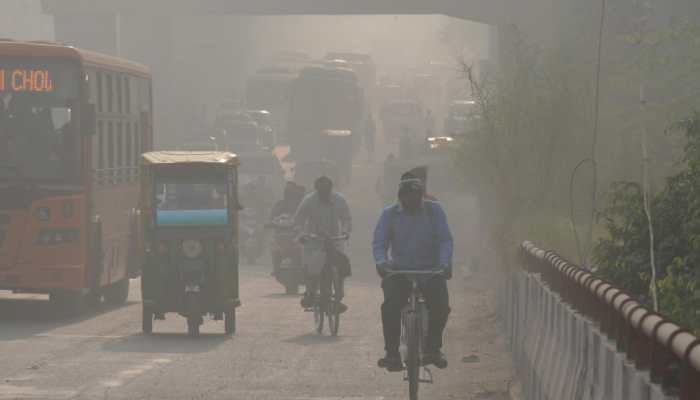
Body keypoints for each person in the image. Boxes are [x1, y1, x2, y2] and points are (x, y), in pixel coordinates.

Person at [373, 173, 453, 371]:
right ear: (400, 196)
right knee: (390, 307)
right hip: (400, 271)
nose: (412, 201)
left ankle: (433, 349)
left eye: (416, 196)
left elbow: (445, 240)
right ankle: (392, 353)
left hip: (430, 271)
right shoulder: (389, 214)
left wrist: (444, 263)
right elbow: (379, 243)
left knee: (441, 306)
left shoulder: (434, 211)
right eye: (407, 196)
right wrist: (382, 262)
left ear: (422, 196)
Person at [293, 176, 352, 312]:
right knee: (311, 268)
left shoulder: (339, 200)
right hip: (314, 242)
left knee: (342, 264)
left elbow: (346, 219)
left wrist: (345, 231)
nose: (325, 194)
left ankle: (339, 294)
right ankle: (310, 292)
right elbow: (298, 221)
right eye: (321, 191)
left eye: (327, 191)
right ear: (317, 190)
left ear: (331, 189)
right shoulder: (309, 200)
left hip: (335, 240)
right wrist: (301, 234)